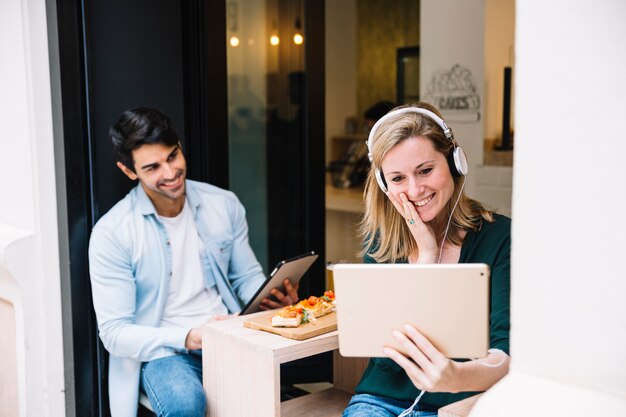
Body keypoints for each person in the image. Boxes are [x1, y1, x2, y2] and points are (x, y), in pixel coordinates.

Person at [88, 107, 299, 417]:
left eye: (172, 157)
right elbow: (115, 333)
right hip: (164, 352)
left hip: (230, 336)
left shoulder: (223, 204)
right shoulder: (112, 233)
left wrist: (274, 299)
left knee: (283, 395)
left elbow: (246, 278)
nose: (170, 173)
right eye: (153, 167)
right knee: (185, 404)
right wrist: (188, 336)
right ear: (129, 171)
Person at [343, 102, 510, 416]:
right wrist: (426, 257)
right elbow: (385, 356)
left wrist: (455, 377)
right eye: (398, 179)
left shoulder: (500, 237)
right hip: (380, 401)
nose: (415, 189)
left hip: (460, 404)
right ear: (384, 184)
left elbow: (506, 353)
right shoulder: (381, 243)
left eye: (425, 170)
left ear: (454, 162)